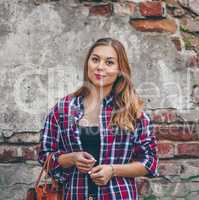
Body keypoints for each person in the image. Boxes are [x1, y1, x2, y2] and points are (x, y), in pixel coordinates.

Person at [37, 37, 159, 200]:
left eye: (109, 62)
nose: (100, 67)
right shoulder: (64, 108)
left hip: (117, 195)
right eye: (95, 60)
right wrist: (72, 158)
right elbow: (44, 155)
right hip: (75, 194)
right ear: (88, 63)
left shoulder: (131, 110)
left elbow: (150, 161)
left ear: (120, 69)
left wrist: (113, 170)